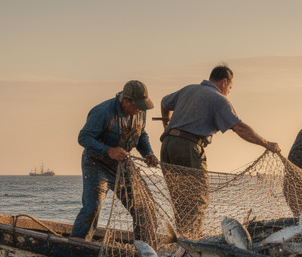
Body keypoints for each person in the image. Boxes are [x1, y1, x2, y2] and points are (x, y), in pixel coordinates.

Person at [158, 64, 282, 237]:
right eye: (230, 88)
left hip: (168, 145)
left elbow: (164, 102)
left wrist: (167, 124)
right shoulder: (218, 99)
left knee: (180, 199)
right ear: (224, 82)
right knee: (196, 199)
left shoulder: (188, 89)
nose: (228, 91)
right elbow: (240, 128)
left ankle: (182, 239)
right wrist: (266, 143)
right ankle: (191, 242)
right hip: (189, 147)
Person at [71, 80, 160, 242]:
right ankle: (77, 245)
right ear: (125, 101)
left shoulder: (139, 112)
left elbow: (141, 134)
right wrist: (108, 151)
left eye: (142, 106)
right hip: (96, 164)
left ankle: (144, 248)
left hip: (122, 164)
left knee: (144, 207)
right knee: (93, 208)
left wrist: (148, 153)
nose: (140, 109)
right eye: (137, 106)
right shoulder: (102, 112)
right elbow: (83, 137)